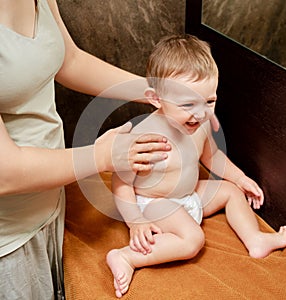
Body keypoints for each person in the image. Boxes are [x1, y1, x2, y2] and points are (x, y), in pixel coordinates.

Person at [0, 1, 173, 299]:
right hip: (8, 237)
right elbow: (5, 173)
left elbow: (70, 61)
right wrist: (103, 155)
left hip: (50, 205)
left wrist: (154, 92)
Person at [106, 34, 286, 298]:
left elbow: (212, 156)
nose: (200, 112)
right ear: (156, 99)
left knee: (229, 192)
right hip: (155, 205)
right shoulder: (144, 138)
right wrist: (135, 221)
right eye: (187, 104)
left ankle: (255, 239)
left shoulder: (201, 122)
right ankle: (127, 257)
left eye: (209, 101)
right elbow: (120, 181)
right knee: (193, 240)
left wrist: (240, 178)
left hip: (189, 196)